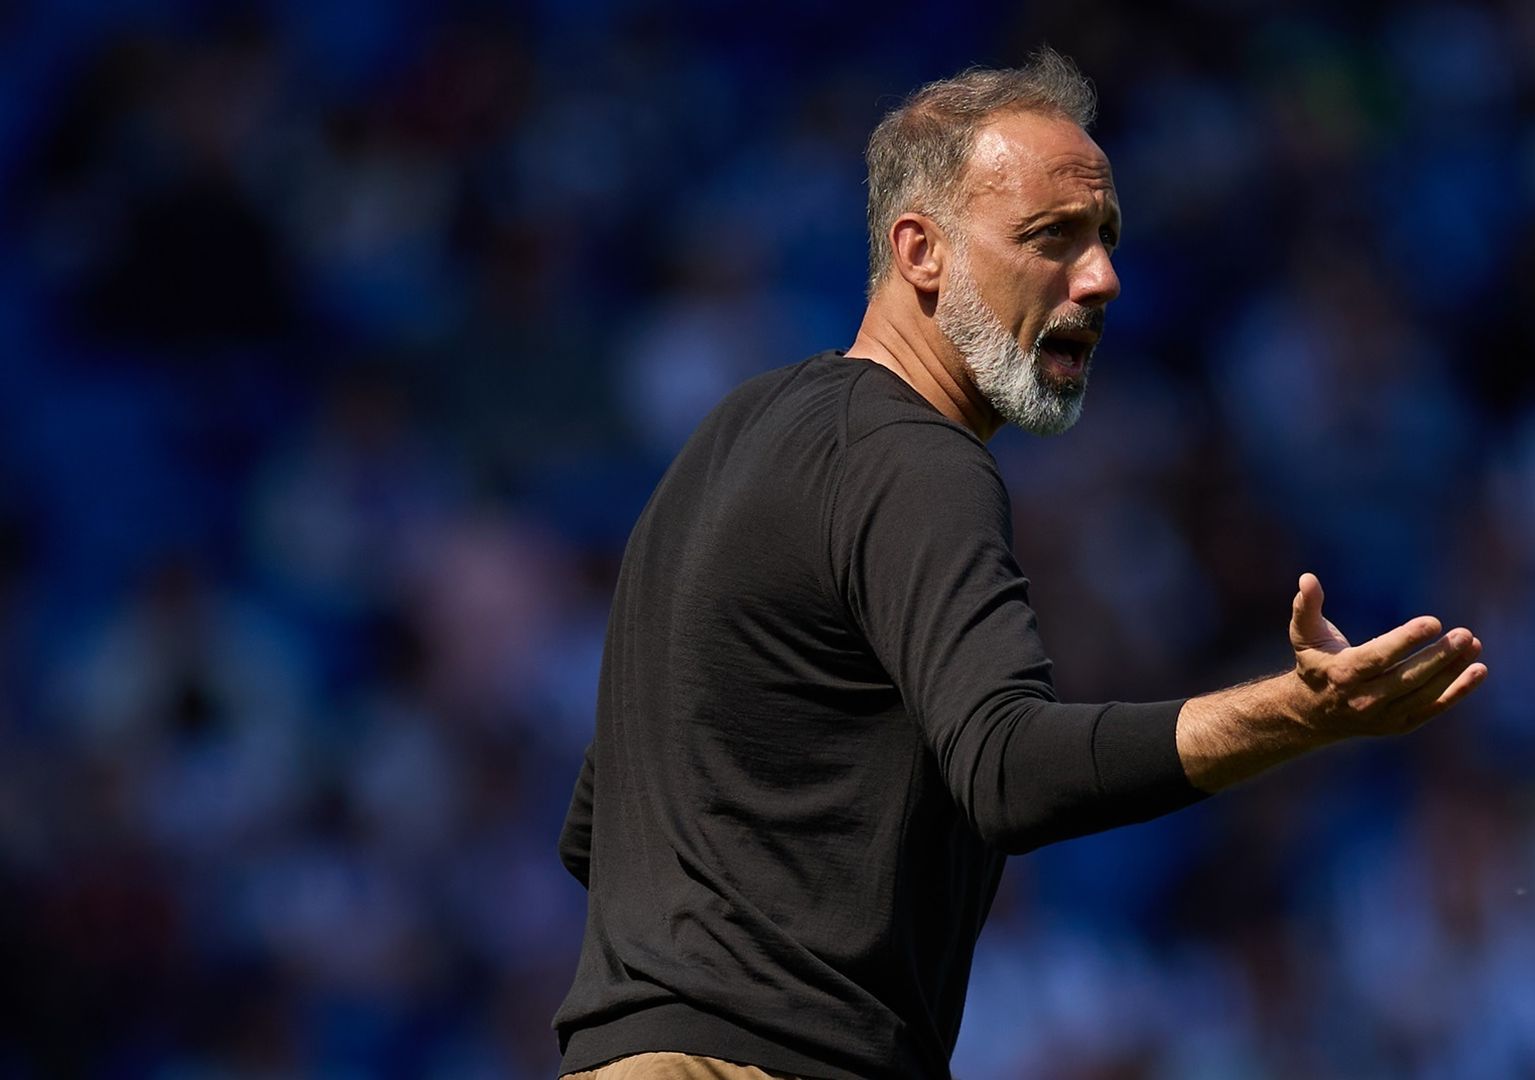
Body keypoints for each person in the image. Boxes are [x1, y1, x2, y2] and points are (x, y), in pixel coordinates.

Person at [552, 49, 1487, 1080]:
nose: (1102, 278)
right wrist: (1300, 715)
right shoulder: (917, 460)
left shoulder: (728, 439)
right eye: (1053, 239)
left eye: (1106, 240)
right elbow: (1010, 772)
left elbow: (598, 826)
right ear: (921, 251)